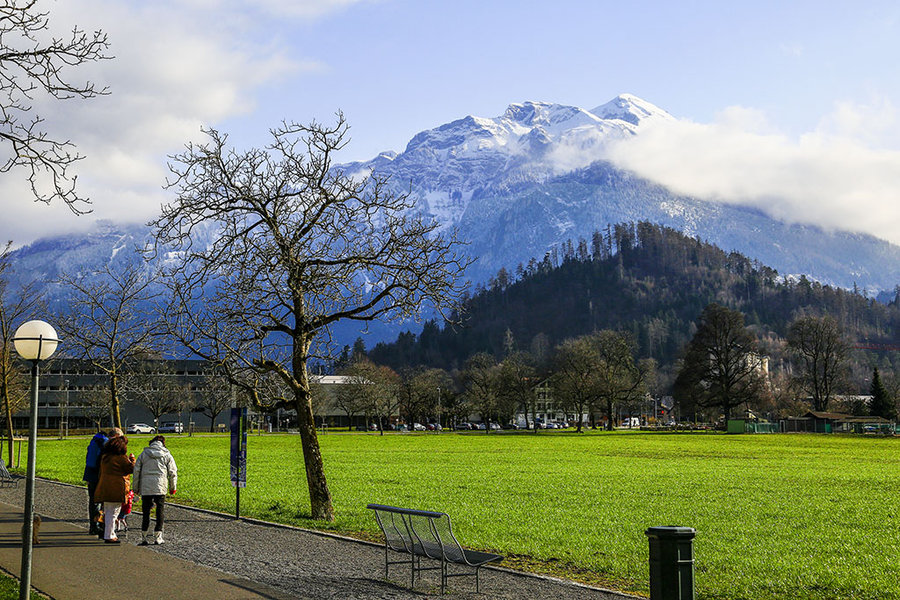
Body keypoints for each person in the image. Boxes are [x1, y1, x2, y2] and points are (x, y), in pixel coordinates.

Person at [133, 435, 177, 545]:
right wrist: (173, 487)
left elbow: (136, 471)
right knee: (160, 511)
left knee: (146, 511)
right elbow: (173, 472)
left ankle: (144, 536)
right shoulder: (167, 455)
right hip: (160, 486)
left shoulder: (144, 454)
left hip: (146, 486)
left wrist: (136, 488)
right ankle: (158, 536)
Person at [94, 435, 135, 543]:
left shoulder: (105, 457)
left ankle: (109, 533)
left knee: (108, 511)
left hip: (105, 487)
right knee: (114, 512)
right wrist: (132, 459)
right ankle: (109, 535)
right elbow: (131, 469)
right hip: (116, 488)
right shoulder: (120, 458)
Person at [82, 427, 122, 535]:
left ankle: (93, 525)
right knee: (100, 501)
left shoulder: (95, 440)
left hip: (90, 473)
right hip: (98, 475)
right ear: (116, 436)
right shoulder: (105, 443)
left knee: (93, 501)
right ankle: (98, 525)